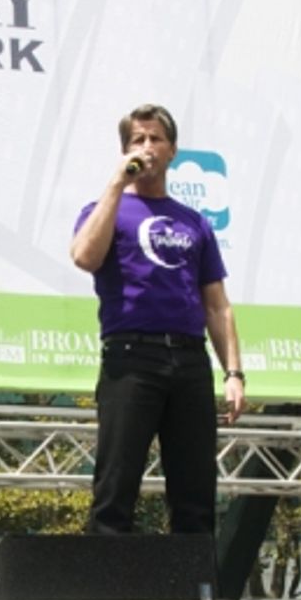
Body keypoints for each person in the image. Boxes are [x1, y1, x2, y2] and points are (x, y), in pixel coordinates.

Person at [70, 103, 245, 536]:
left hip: (189, 361)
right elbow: (84, 256)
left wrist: (234, 373)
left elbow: (218, 305)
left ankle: (197, 596)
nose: (147, 147)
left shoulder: (194, 222)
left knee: (196, 491)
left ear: (173, 151)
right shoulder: (103, 209)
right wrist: (117, 182)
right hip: (131, 358)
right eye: (137, 140)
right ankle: (107, 593)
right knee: (116, 485)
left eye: (155, 139)